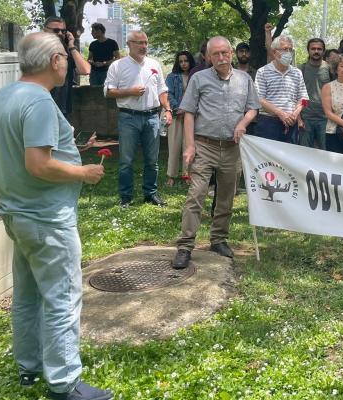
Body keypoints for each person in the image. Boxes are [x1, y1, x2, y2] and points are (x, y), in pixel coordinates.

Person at [0, 32, 111, 400]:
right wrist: (83, 173)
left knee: (27, 296)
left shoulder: (5, 95)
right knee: (62, 297)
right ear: (55, 60)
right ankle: (63, 382)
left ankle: (29, 365)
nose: (66, 64)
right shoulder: (39, 102)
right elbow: (38, 164)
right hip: (46, 219)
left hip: (17, 213)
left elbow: (30, 151)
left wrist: (73, 149)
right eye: (64, 57)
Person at [172, 37, 259, 269]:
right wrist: (190, 145)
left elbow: (253, 108)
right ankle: (185, 245)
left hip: (232, 149)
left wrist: (243, 123)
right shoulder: (199, 78)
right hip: (204, 146)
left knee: (226, 198)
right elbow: (188, 112)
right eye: (216, 54)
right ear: (208, 57)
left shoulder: (245, 79)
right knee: (196, 195)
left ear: (231, 53)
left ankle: (218, 240)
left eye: (225, 53)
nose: (221, 58)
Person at [104, 30, 170, 208]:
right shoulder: (117, 66)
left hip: (152, 117)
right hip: (128, 117)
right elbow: (108, 91)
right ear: (129, 44)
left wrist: (168, 109)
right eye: (139, 43)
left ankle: (151, 194)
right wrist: (129, 92)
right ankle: (126, 197)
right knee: (126, 160)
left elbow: (162, 90)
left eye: (146, 43)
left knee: (152, 160)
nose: (143, 46)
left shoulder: (154, 64)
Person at [252, 29, 308, 143]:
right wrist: (281, 113)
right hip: (269, 122)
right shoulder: (263, 72)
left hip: (291, 123)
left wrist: (296, 112)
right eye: (285, 49)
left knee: (289, 158)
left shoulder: (297, 72)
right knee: (267, 159)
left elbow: (304, 99)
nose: (288, 52)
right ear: (274, 52)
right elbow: (259, 99)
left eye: (290, 49)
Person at [43, 16, 91, 120]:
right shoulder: (37, 50)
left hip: (64, 108)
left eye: (63, 31)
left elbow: (85, 70)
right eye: (56, 30)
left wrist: (71, 46)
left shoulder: (67, 50)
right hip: (44, 107)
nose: (60, 33)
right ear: (45, 30)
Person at [165, 50, 196, 186]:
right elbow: (168, 94)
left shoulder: (196, 76)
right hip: (177, 115)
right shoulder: (172, 76)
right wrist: (177, 108)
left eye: (186, 61)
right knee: (174, 145)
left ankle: (187, 175)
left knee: (188, 145)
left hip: (191, 115)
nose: (183, 64)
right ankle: (171, 176)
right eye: (181, 61)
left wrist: (188, 109)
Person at [299, 37, 331, 150]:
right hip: (306, 118)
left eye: (319, 49)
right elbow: (295, 95)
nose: (316, 51)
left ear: (323, 51)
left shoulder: (330, 69)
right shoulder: (301, 69)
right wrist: (298, 119)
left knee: (325, 154)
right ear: (308, 50)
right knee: (305, 153)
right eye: (313, 49)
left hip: (325, 119)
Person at [87, 22, 120, 86]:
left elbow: (118, 58)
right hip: (94, 73)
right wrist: (93, 63)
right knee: (94, 93)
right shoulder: (93, 44)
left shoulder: (112, 43)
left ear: (99, 31)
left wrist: (104, 63)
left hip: (108, 72)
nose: (91, 33)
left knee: (107, 93)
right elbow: (89, 59)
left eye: (93, 31)